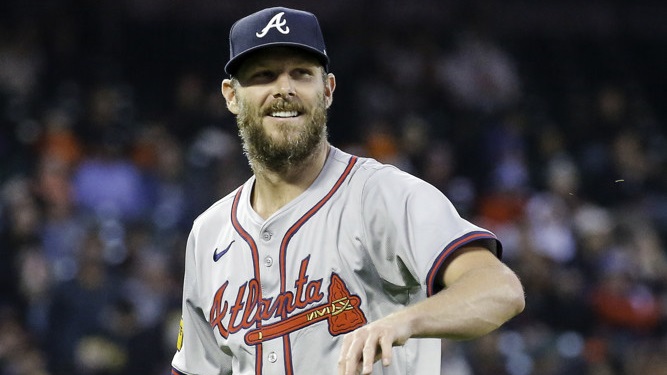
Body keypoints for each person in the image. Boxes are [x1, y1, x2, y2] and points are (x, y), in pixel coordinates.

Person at [170, 6, 524, 375]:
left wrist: (406, 322)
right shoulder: (208, 233)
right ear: (231, 95)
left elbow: (498, 289)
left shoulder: (383, 194)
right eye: (264, 75)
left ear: (327, 90)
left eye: (301, 74)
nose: (284, 89)